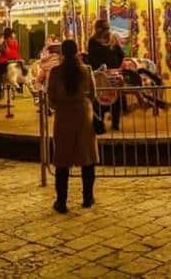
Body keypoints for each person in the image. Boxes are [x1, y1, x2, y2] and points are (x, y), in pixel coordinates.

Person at [47, 39, 99, 213]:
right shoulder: (85, 70)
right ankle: (88, 198)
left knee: (62, 159)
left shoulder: (55, 72)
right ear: (77, 51)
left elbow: (51, 98)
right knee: (87, 158)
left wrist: (61, 105)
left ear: (62, 52)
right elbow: (93, 94)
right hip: (83, 115)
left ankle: (61, 201)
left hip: (64, 115)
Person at [86, 19, 125, 131]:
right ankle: (100, 122)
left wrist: (116, 63)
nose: (107, 31)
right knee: (99, 98)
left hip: (113, 72)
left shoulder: (112, 40)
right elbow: (92, 58)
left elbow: (121, 54)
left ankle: (115, 122)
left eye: (108, 28)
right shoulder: (93, 41)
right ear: (99, 29)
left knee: (116, 99)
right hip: (100, 74)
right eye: (105, 28)